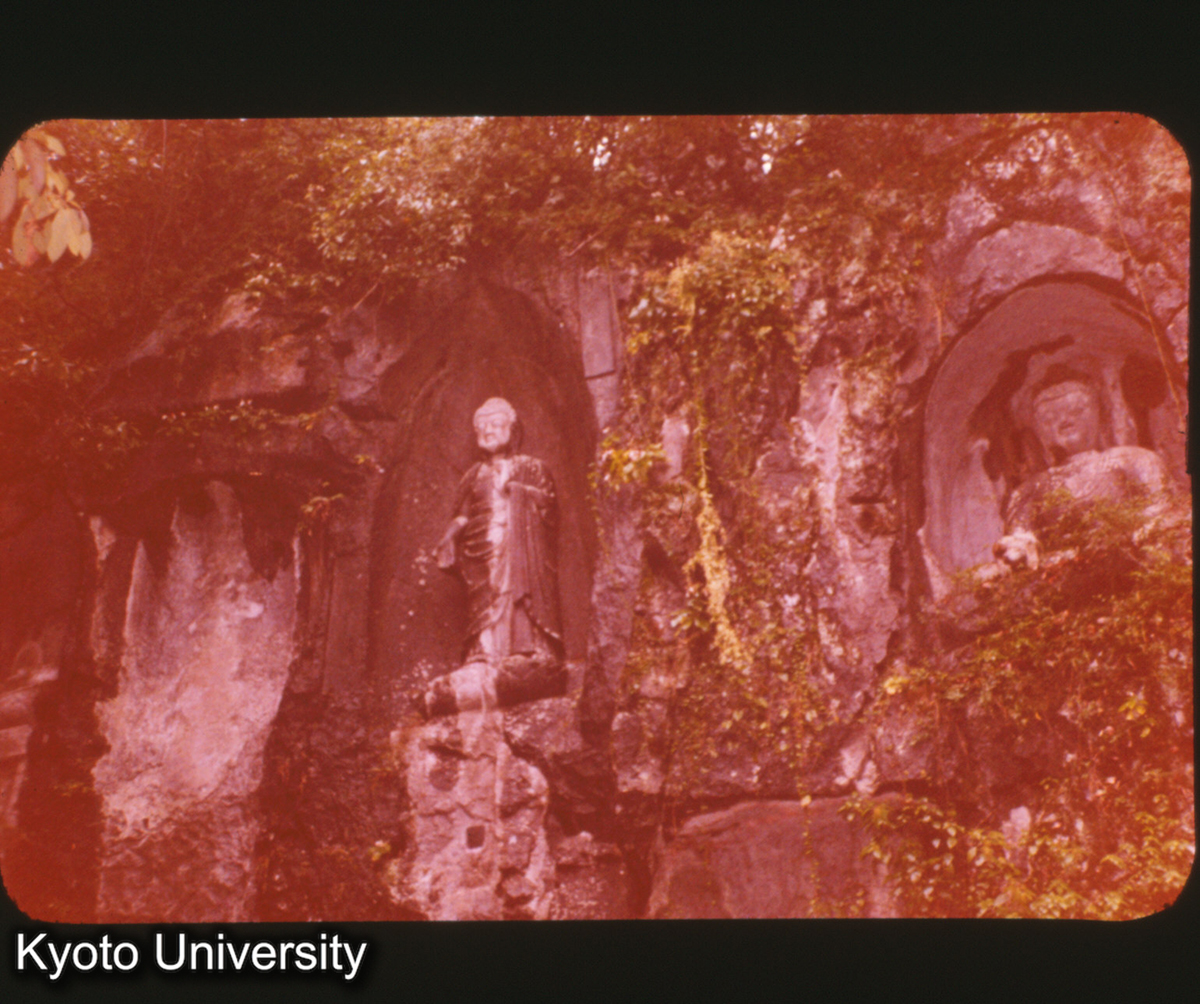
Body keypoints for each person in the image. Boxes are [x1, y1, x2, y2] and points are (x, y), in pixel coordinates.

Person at [994, 378, 1171, 569]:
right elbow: (1018, 536)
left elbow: (1161, 504)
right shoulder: (1032, 488)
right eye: (1050, 418)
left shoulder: (1133, 459)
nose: (1064, 421)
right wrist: (1019, 545)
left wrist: (1138, 531)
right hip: (1068, 572)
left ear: (1099, 414)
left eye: (1077, 411)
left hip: (1137, 559)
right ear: (1039, 431)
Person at [436, 398, 562, 665]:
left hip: (521, 544)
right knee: (484, 593)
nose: (488, 431)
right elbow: (462, 514)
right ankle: (483, 650)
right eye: (481, 427)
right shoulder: (473, 475)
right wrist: (449, 536)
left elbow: (549, 505)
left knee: (518, 586)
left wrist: (519, 492)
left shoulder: (532, 467)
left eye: (495, 424)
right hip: (482, 547)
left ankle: (527, 648)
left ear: (512, 428)